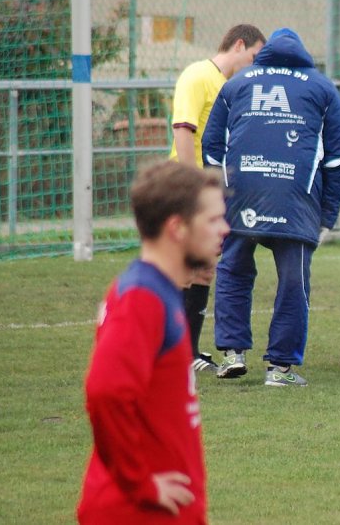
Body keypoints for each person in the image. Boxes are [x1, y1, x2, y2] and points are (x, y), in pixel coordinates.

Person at [77, 161, 230, 523]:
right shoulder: (142, 298)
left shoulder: (159, 290)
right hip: (138, 512)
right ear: (176, 227)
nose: (224, 229)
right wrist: (141, 484)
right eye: (212, 220)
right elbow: (105, 391)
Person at [202, 28, 340, 387]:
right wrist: (327, 214)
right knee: (293, 282)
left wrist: (218, 200)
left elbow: (211, 148)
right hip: (297, 199)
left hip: (241, 196)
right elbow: (339, 157)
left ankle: (232, 354)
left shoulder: (237, 85)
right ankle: (280, 369)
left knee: (233, 271)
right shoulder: (323, 87)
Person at [169, 23, 266, 374]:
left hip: (211, 192)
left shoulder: (229, 85)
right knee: (187, 269)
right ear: (239, 44)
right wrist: (193, 183)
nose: (255, 66)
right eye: (254, 57)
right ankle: (176, 352)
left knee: (202, 270)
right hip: (186, 189)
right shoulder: (198, 75)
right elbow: (183, 128)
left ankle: (187, 351)